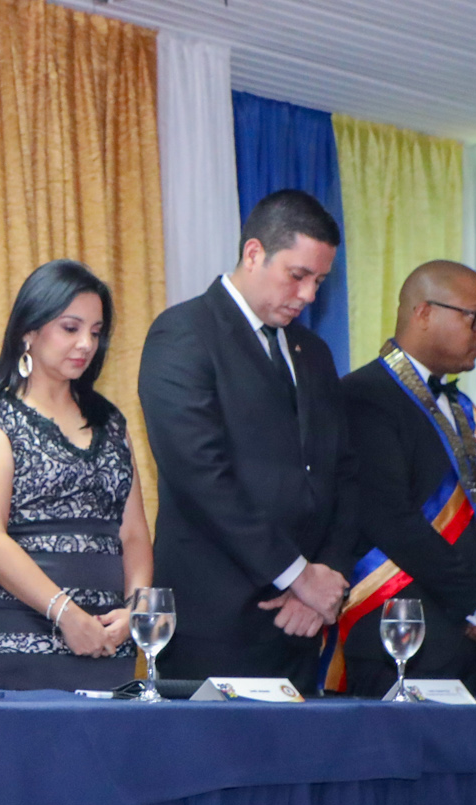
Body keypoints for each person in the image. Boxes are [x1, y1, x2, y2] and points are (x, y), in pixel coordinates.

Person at [138, 191, 354, 691]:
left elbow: (343, 474)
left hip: (301, 624)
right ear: (254, 253)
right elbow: (201, 476)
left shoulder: (314, 352)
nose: (308, 296)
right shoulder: (183, 334)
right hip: (214, 621)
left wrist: (323, 578)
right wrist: (296, 574)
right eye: (297, 275)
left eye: (319, 282)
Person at [0, 260, 153, 690]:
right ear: (29, 331)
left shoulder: (110, 422)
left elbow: (134, 534)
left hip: (108, 643)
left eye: (96, 332)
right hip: (21, 641)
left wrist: (135, 611)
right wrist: (66, 614)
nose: (86, 343)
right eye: (70, 328)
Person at [333, 261, 476, 694]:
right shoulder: (364, 395)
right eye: (474, 318)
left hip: (471, 637)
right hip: (401, 635)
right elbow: (390, 519)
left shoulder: (461, 406)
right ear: (423, 313)